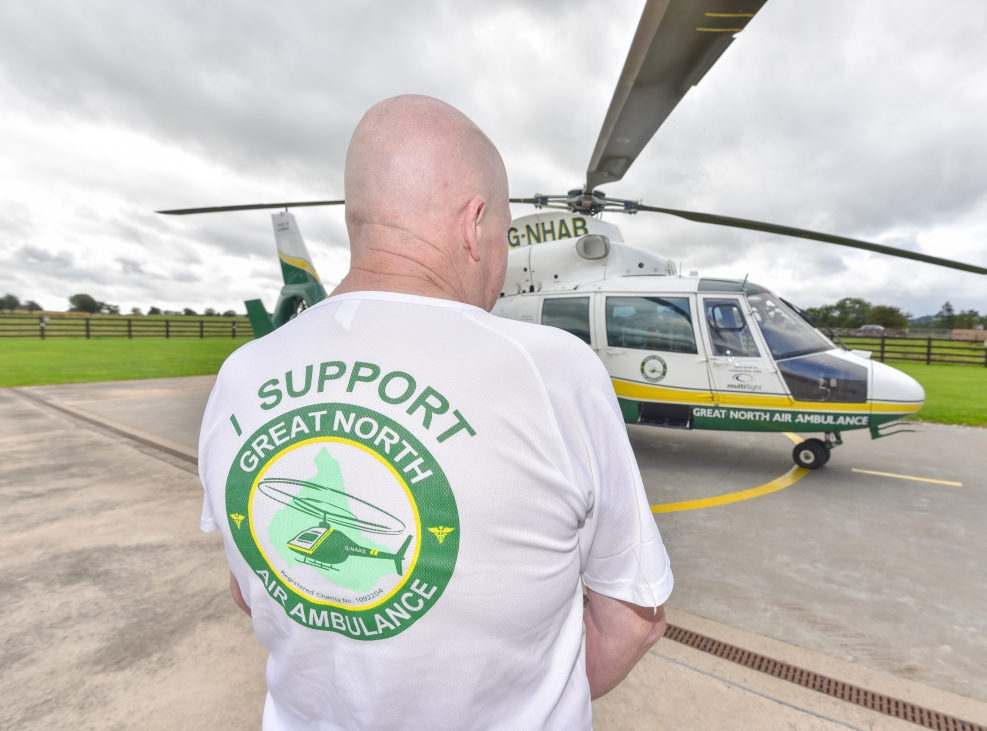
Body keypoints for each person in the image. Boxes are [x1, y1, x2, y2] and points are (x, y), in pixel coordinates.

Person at [198, 95, 672, 731]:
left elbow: (252, 584)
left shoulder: (240, 376)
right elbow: (632, 620)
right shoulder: (553, 370)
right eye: (502, 232)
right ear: (475, 223)